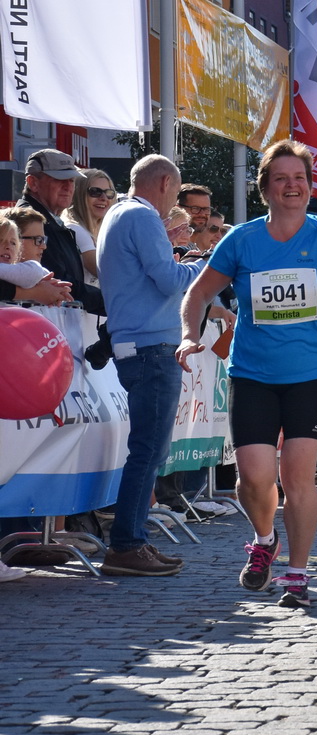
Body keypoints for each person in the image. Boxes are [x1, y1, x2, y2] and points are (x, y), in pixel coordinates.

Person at [177, 141, 317, 608]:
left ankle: (297, 574)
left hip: (311, 374)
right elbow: (198, 293)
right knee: (252, 478)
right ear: (265, 189)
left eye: (299, 178)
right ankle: (265, 539)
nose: (292, 186)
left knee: (297, 476)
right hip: (254, 373)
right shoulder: (242, 240)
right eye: (281, 178)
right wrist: (187, 335)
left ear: (310, 186)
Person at [94, 155, 206, 578]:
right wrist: (208, 266)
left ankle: (132, 539)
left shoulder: (120, 214)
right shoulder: (141, 216)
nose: (174, 201)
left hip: (141, 345)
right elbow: (169, 280)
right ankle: (126, 544)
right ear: (163, 184)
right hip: (151, 347)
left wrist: (184, 265)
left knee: (149, 450)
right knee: (148, 450)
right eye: (176, 192)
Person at [0, 150, 101, 310]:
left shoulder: (50, 220)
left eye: (71, 180)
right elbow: (57, 280)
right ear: (33, 183)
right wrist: (112, 301)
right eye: (59, 179)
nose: (68, 186)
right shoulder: (28, 220)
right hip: (31, 318)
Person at [64, 168, 117, 283]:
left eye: (109, 193)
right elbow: (109, 274)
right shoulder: (76, 230)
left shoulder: (95, 232)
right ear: (79, 194)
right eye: (95, 192)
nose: (103, 198)